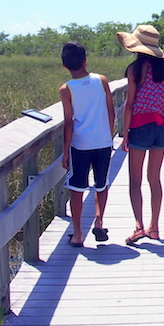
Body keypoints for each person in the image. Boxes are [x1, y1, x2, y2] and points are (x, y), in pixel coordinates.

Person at [116, 25, 164, 245]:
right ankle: (155, 227)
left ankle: (139, 226)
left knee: (135, 179)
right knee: (154, 179)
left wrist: (125, 134)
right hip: (161, 127)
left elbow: (130, 103)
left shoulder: (135, 69)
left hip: (141, 126)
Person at [60, 41, 116, 248]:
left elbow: (68, 122)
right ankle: (99, 222)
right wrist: (109, 135)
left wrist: (65, 151)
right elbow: (111, 111)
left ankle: (77, 234)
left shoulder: (66, 89)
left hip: (80, 145)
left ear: (64, 65)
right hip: (102, 142)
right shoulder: (101, 80)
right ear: (85, 60)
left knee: (77, 188)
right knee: (101, 184)